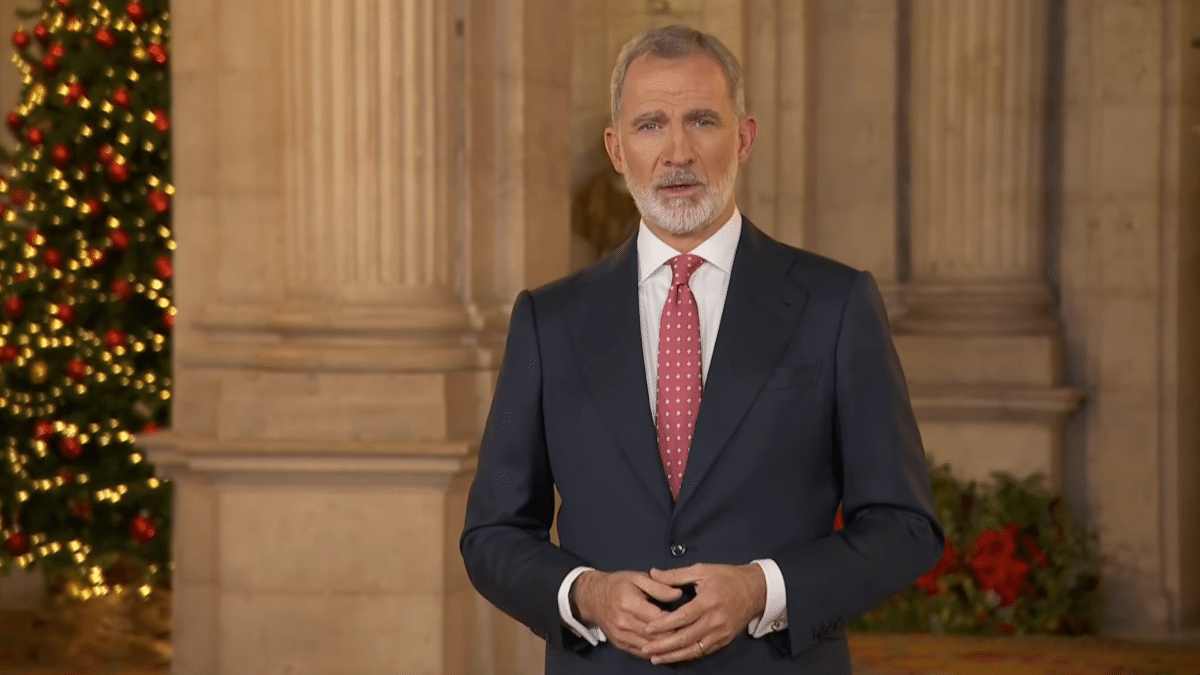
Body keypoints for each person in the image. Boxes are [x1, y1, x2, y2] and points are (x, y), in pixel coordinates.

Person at [460, 24, 944, 674]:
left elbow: (904, 525)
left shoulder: (836, 304)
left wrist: (763, 589)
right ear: (617, 148)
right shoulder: (549, 321)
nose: (677, 151)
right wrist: (586, 594)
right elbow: (492, 533)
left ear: (744, 137)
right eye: (651, 124)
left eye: (703, 120)